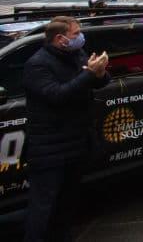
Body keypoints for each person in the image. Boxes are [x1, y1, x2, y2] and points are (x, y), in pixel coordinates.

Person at [23, 16, 110, 241]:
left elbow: (91, 82)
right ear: (60, 39)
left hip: (76, 142)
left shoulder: (76, 54)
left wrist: (100, 74)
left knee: (67, 202)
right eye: (75, 33)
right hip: (50, 148)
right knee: (43, 206)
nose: (80, 37)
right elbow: (58, 95)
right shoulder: (38, 64)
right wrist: (89, 74)